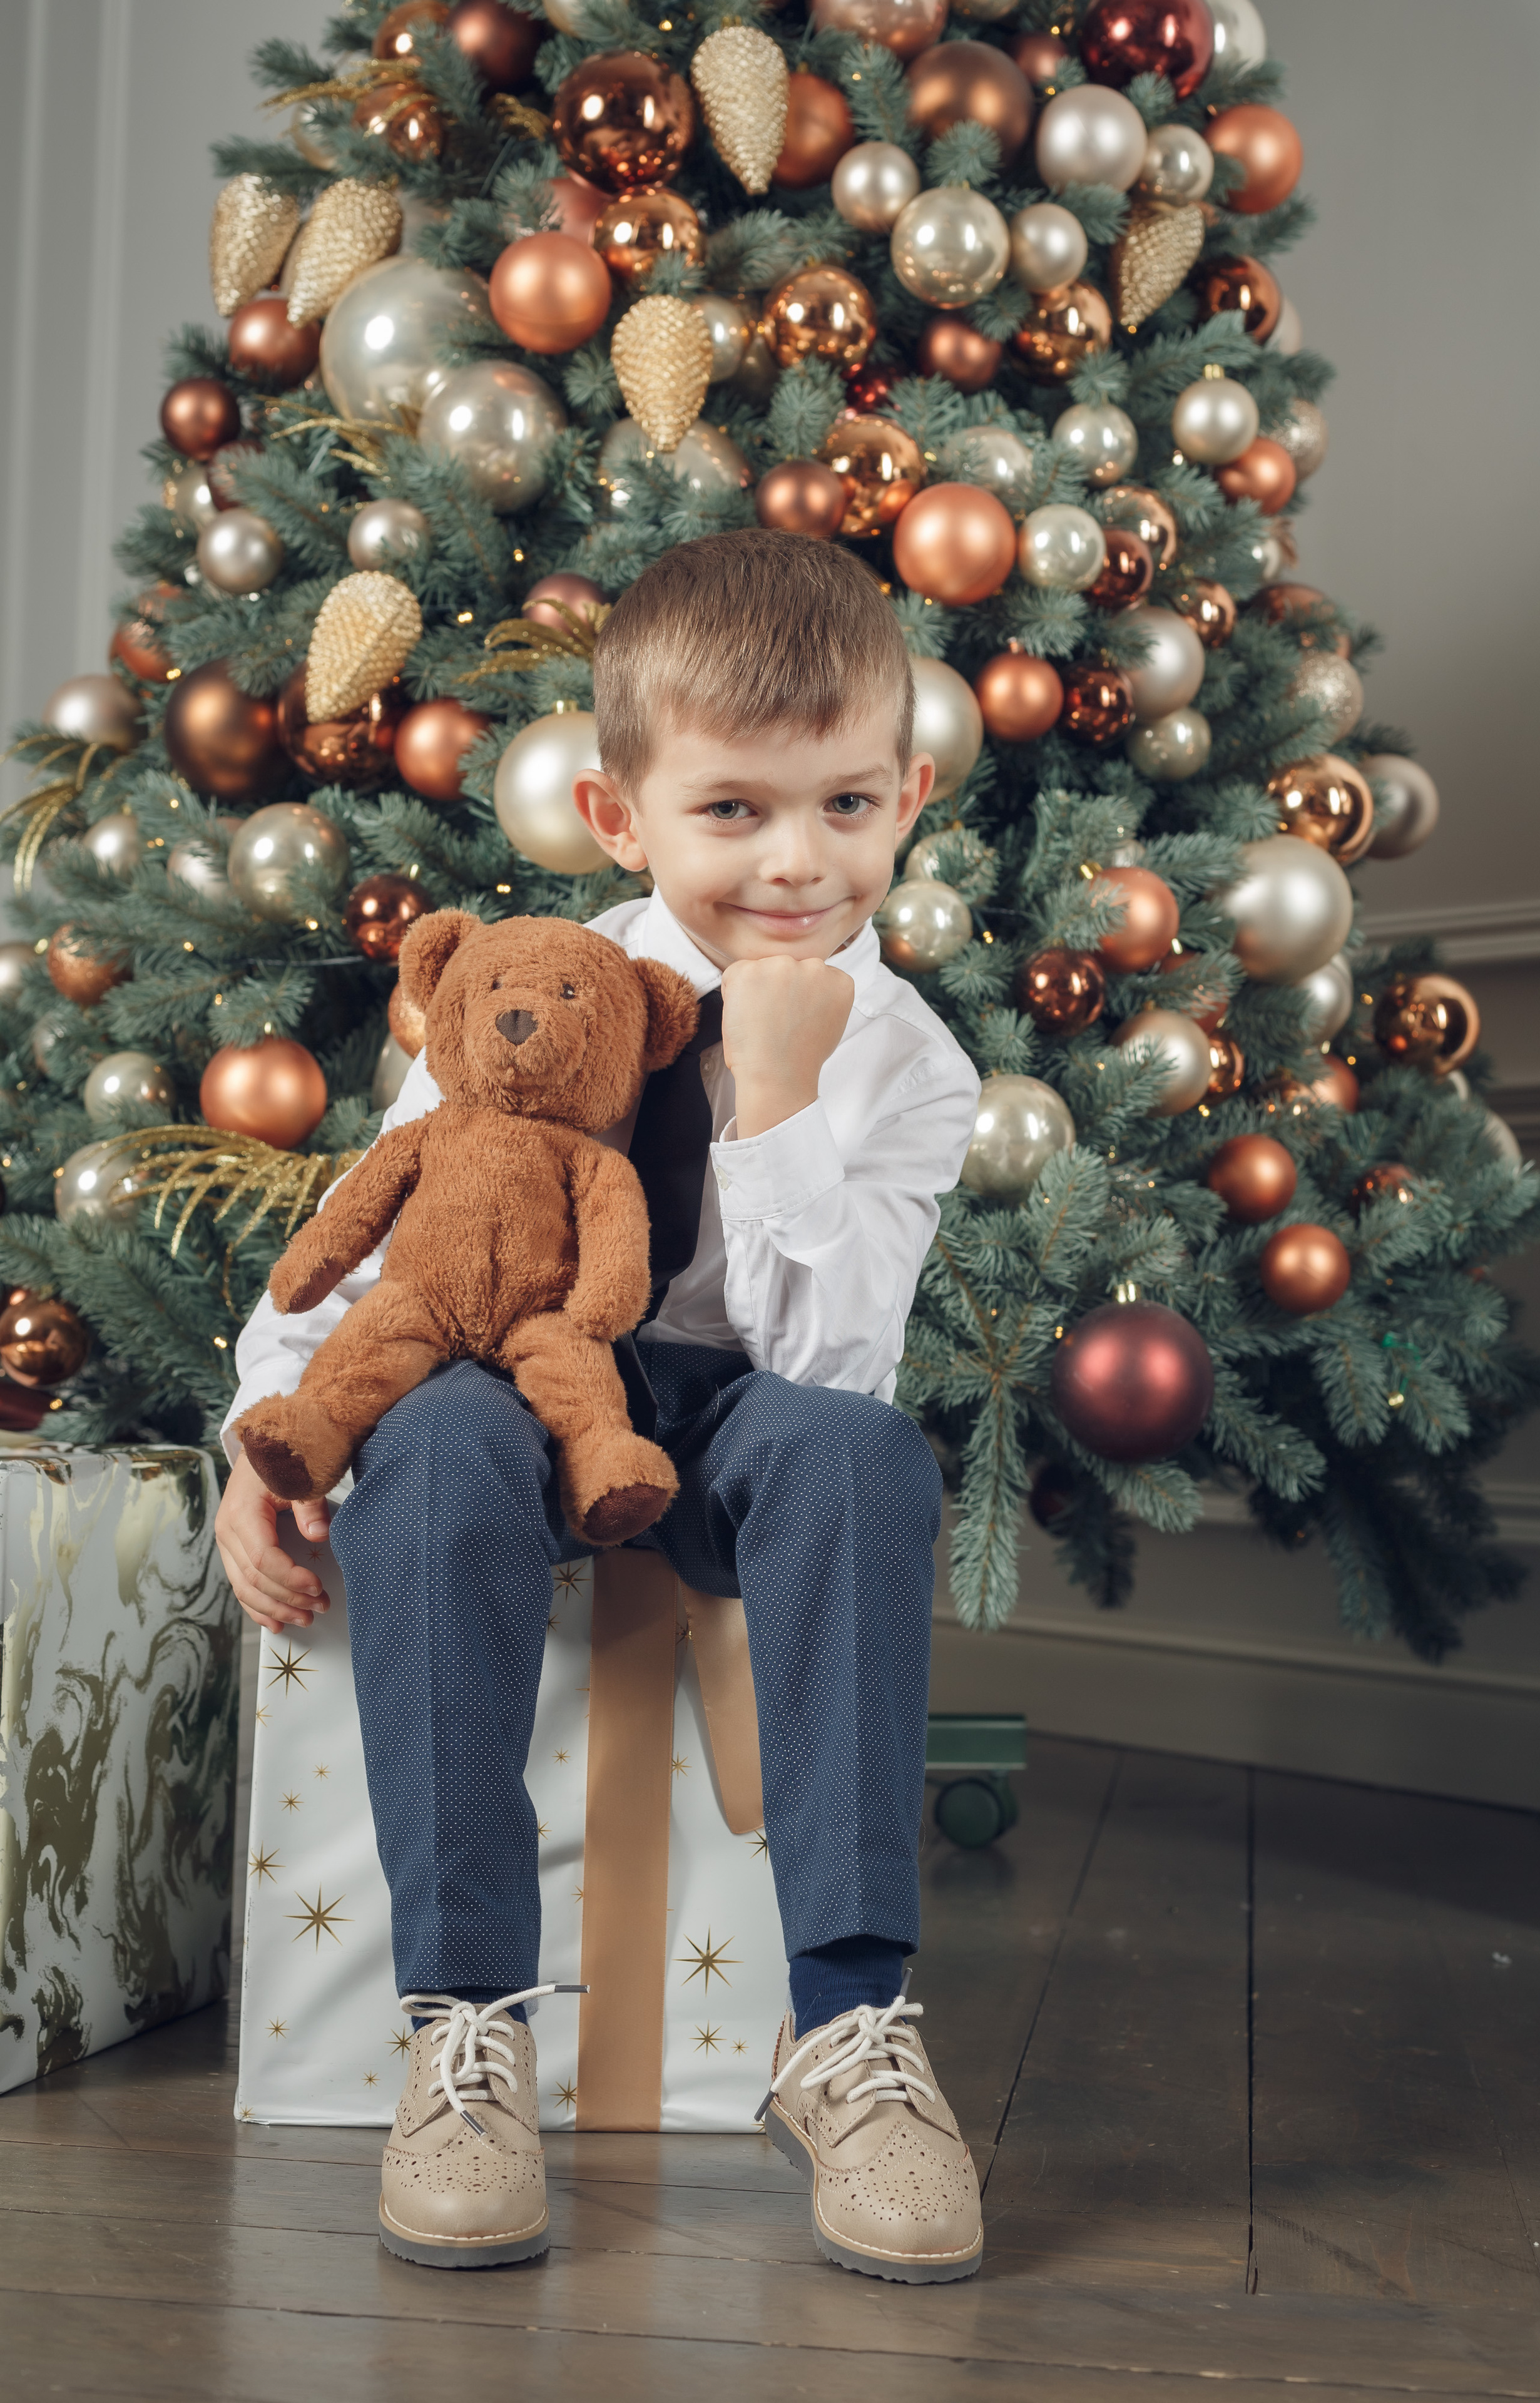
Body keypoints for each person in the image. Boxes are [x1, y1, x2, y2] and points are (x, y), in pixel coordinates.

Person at [215, 529, 984, 2283]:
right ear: (621, 814)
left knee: (862, 1460)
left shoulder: (909, 1066)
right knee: (431, 1436)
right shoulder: (533, 985)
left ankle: (851, 2034)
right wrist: (261, 1439)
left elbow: (833, 1366)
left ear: (911, 792)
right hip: (508, 1391)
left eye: (848, 807)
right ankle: (465, 2032)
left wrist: (779, 1101)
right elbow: (385, 1219)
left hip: (729, 1422)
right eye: (735, 813)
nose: (799, 863)